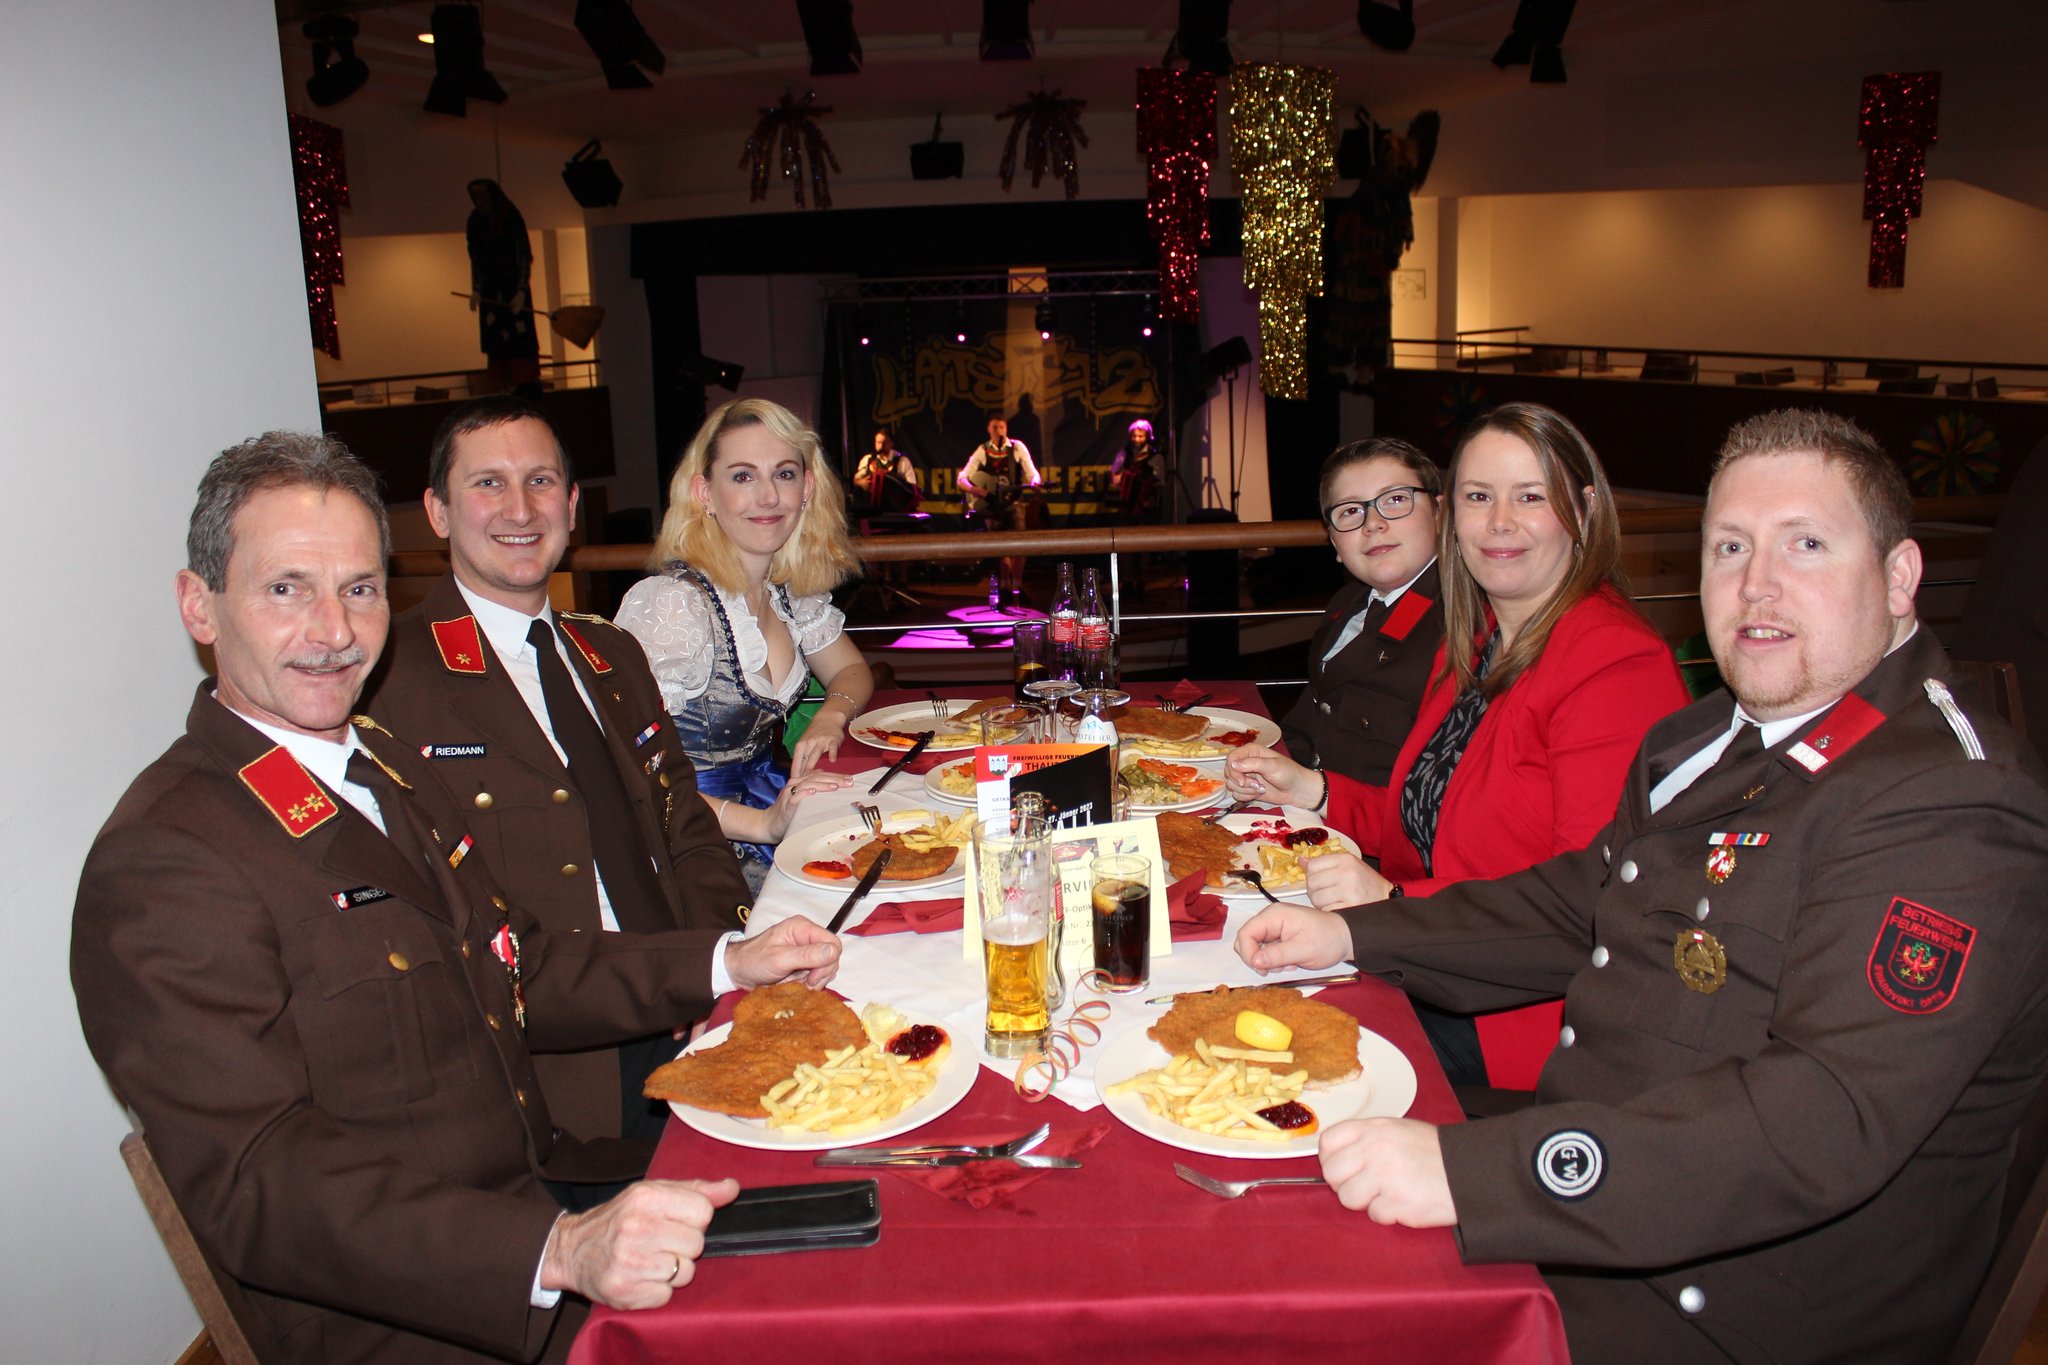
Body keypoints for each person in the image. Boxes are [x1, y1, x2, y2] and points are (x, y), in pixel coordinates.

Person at [1233, 408, 2048, 1364]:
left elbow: (1824, 1117)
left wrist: (1481, 1176)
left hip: (1728, 1305)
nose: (1757, 584)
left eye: (1806, 544)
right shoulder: (1706, 739)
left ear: (1900, 576)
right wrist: (1358, 936)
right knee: (1254, 1171)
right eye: (1731, 546)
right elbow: (1578, 901)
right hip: (1605, 1165)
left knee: (1293, 1321)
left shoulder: (1952, 800)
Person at [73, 432, 843, 1362]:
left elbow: (521, 965)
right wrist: (557, 1249)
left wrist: (726, 959)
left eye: (360, 589)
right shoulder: (168, 854)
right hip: (429, 1307)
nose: (333, 629)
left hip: (541, 1193)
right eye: (286, 589)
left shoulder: (380, 764)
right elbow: (258, 1181)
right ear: (200, 604)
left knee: (845, 1204)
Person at [1227, 404, 1689, 1091]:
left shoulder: (1616, 664)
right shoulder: (1476, 640)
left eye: (1530, 497)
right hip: (1428, 960)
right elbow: (1431, 819)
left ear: (1585, 510)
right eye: (1479, 496)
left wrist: (1390, 904)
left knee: (1256, 1062)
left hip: (1522, 1024)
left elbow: (1591, 906)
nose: (1499, 522)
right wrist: (1316, 793)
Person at [365, 396, 780, 1156]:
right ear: (437, 512)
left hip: (692, 1011)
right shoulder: (392, 680)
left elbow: (687, 827)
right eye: (488, 484)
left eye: (541, 481)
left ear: (573, 503)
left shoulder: (611, 652)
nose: (520, 508)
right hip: (562, 1076)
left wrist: (711, 961)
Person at [615, 399, 871, 892]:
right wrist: (763, 825)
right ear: (704, 493)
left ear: (807, 488)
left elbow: (852, 672)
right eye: (743, 476)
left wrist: (830, 716)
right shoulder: (674, 606)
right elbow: (631, 772)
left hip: (770, 805)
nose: (769, 496)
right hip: (690, 841)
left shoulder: (787, 593)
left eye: (784, 474)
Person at [1278, 437, 1448, 786]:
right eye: (1350, 511)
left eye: (1395, 499)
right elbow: (1310, 722)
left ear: (1439, 513)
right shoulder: (1347, 603)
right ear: (1334, 541)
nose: (1373, 523)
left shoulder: (1459, 625)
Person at [464, 178, 541, 397]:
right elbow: (476, 259)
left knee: (518, 337)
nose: (480, 202)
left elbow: (523, 254)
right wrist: (477, 288)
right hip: (490, 290)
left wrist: (521, 289)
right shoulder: (475, 222)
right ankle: (506, 386)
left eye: (483, 196)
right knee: (497, 340)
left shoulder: (510, 216)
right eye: (476, 198)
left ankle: (521, 384)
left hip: (512, 288)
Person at [957, 415, 1041, 601]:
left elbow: (1032, 471)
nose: (999, 431)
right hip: (995, 507)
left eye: (1002, 427)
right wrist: (975, 489)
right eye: (995, 427)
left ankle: (1017, 587)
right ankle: (1004, 587)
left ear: (1006, 429)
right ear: (989, 430)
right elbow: (962, 478)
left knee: (1020, 547)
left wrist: (1035, 481)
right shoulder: (983, 450)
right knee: (1002, 549)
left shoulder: (1017, 447)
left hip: (1015, 504)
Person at [853, 428, 920, 516]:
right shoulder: (868, 460)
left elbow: (912, 487)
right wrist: (861, 482)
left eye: (884, 443)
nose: (880, 446)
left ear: (891, 443)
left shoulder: (902, 461)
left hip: (896, 511)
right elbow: (855, 480)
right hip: (873, 511)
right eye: (878, 442)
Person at [1109, 418, 1164, 525]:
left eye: (1140, 436)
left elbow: (1159, 481)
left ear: (1148, 437)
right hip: (1127, 504)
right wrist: (1116, 479)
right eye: (1134, 436)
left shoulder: (1155, 456)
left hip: (1147, 505)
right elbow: (1113, 471)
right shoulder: (1125, 453)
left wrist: (1153, 498)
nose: (1137, 439)